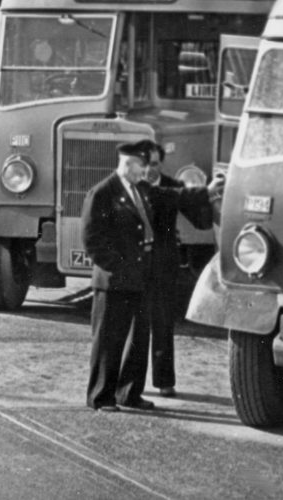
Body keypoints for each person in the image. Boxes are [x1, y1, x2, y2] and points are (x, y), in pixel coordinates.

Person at [82, 138, 160, 411]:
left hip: (140, 277)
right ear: (128, 163)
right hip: (114, 281)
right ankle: (101, 397)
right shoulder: (102, 192)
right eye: (141, 166)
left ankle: (129, 393)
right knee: (108, 340)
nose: (144, 172)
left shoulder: (139, 190)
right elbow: (92, 240)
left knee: (138, 339)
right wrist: (119, 267)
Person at [141, 141, 214, 397]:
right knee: (134, 325)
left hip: (163, 264)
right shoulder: (133, 188)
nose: (149, 170)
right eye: (145, 164)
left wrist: (206, 201)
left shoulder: (174, 186)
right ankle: (130, 384)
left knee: (163, 323)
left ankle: (164, 381)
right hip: (137, 265)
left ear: (161, 164)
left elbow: (201, 223)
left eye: (154, 164)